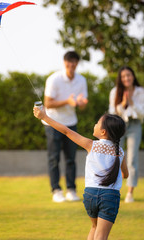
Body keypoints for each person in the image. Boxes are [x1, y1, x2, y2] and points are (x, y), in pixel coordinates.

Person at [34, 106, 128, 240]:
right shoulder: (121, 152)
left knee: (94, 228)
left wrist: (44, 117)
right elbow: (125, 175)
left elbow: (66, 131)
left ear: (103, 132)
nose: (95, 124)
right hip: (110, 197)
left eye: (97, 123)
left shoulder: (91, 145)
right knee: (101, 236)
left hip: (90, 195)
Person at [43, 51, 88, 202]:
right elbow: (48, 103)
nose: (72, 64)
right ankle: (56, 190)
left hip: (71, 122)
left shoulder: (81, 80)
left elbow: (81, 105)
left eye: (75, 62)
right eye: (69, 61)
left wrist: (81, 104)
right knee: (54, 158)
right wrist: (67, 102)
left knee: (71, 158)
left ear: (77, 63)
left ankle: (71, 190)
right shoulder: (54, 79)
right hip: (53, 122)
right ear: (64, 62)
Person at [108, 66, 144, 203]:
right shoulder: (115, 92)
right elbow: (112, 113)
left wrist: (132, 103)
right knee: (116, 157)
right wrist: (123, 103)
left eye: (129, 75)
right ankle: (113, 189)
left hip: (135, 125)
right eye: (123, 76)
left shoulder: (141, 92)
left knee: (132, 159)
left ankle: (130, 192)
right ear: (120, 78)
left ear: (133, 76)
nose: (126, 78)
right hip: (119, 125)